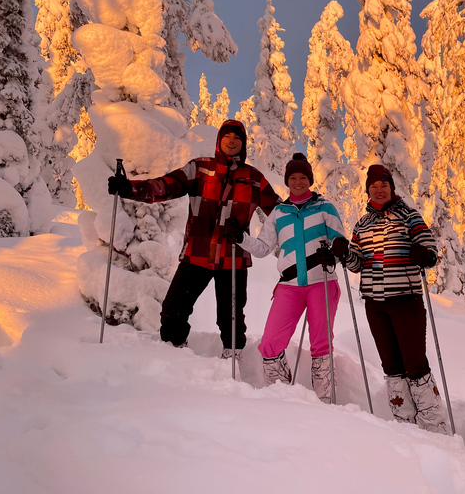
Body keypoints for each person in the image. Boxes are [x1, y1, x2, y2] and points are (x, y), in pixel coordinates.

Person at [107, 120, 282, 369]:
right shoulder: (200, 169)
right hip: (197, 254)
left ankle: (232, 361)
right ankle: (176, 356)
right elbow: (165, 186)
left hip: (233, 256)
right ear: (220, 140)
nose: (232, 141)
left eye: (238, 138)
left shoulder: (253, 179)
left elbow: (281, 213)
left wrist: (309, 218)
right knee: (172, 311)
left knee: (230, 318)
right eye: (227, 136)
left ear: (243, 144)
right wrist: (130, 188)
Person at [332, 164, 447, 434]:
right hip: (375, 303)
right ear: (368, 191)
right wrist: (344, 253)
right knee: (391, 365)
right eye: (374, 186)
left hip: (405, 299)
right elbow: (357, 264)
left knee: (415, 363)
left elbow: (429, 248)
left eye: (383, 185)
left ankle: (434, 427)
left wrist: (425, 256)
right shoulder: (362, 224)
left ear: (391, 188)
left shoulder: (409, 216)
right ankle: (404, 425)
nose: (379, 190)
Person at [232, 153, 344, 403]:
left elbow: (340, 242)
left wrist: (334, 254)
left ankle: (326, 403)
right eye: (293, 177)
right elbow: (262, 248)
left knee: (321, 343)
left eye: (303, 177)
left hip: (322, 282)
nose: (298, 182)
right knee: (270, 342)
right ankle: (282, 399)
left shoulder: (325, 207)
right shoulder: (278, 213)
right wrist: (241, 239)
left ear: (310, 180)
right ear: (287, 181)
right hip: (289, 285)